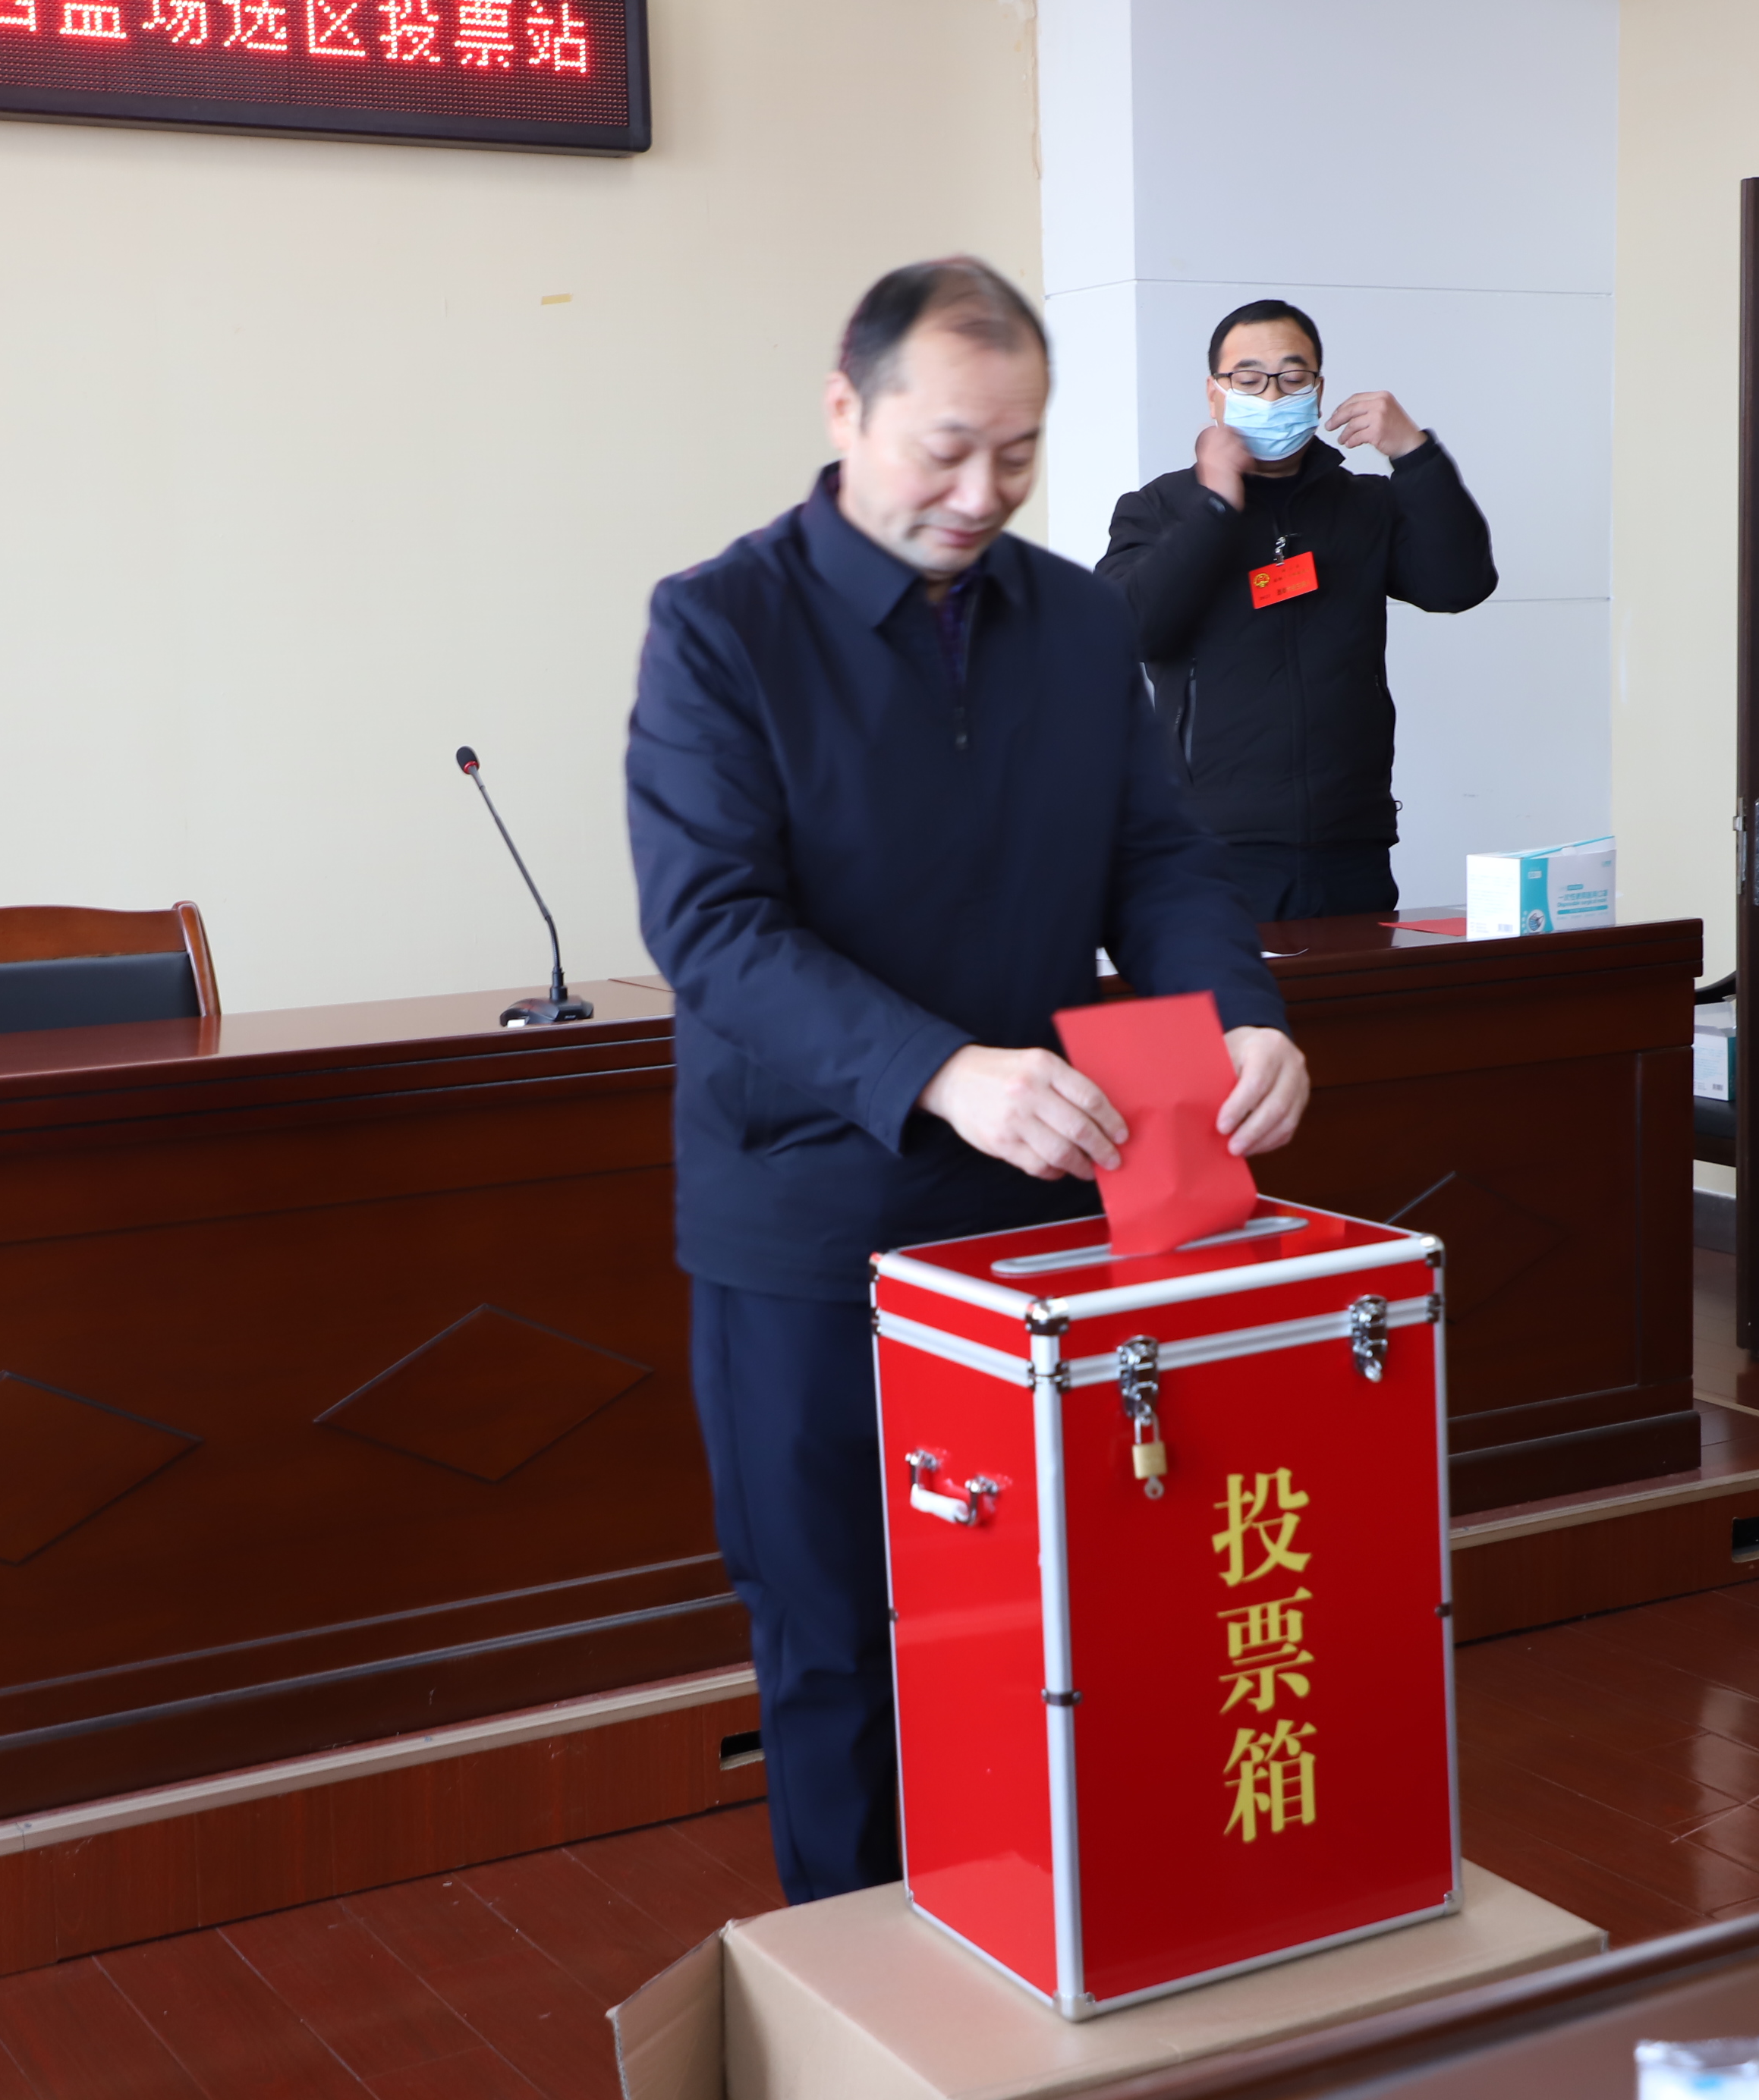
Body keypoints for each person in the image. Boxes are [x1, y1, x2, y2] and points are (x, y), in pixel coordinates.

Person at [625, 258, 1312, 1904]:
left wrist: (1240, 1012)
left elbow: (1155, 856)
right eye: (946, 448)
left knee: (1049, 1613)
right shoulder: (720, 627)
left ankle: (1050, 1947)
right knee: (839, 1640)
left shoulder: (1073, 618)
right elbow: (711, 926)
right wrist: (937, 1070)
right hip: (811, 1212)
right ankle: (861, 2000)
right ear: (844, 409)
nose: (980, 491)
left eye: (1017, 453)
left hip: (1038, 1196)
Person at [1098, 299, 1499, 923]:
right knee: (1230, 992)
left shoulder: (1365, 505)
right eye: (1249, 379)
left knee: (1359, 992)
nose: (1271, 394)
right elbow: (1127, 630)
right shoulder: (1159, 508)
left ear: (1318, 388)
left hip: (1350, 839)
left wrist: (1414, 455)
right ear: (1214, 393)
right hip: (1210, 846)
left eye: (1291, 377)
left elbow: (1460, 585)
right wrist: (1215, 508)